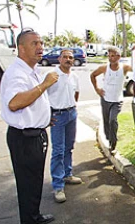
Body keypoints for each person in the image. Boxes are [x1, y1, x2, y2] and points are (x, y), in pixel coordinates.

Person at [0, 28, 57, 223]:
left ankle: (34, 216)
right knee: (27, 184)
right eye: (35, 43)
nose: (40, 47)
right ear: (21, 48)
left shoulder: (31, 70)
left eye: (41, 43)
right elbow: (15, 103)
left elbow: (31, 103)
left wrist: (43, 117)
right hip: (25, 138)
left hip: (35, 133)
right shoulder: (17, 73)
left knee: (34, 182)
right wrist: (45, 84)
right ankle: (29, 220)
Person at [46, 49, 82, 203]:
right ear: (59, 59)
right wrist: (48, 115)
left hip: (71, 114)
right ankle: (58, 186)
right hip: (57, 116)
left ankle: (67, 175)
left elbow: (76, 93)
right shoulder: (52, 76)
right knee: (58, 151)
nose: (68, 59)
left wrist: (71, 107)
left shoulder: (74, 76)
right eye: (65, 57)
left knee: (69, 147)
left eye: (71, 57)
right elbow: (42, 96)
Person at [90, 46, 132, 153]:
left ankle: (113, 144)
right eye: (109, 56)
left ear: (118, 57)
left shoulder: (125, 68)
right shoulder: (104, 68)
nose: (110, 58)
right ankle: (109, 139)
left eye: (113, 56)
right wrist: (97, 89)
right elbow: (93, 75)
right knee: (106, 122)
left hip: (117, 101)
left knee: (113, 120)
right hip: (105, 99)